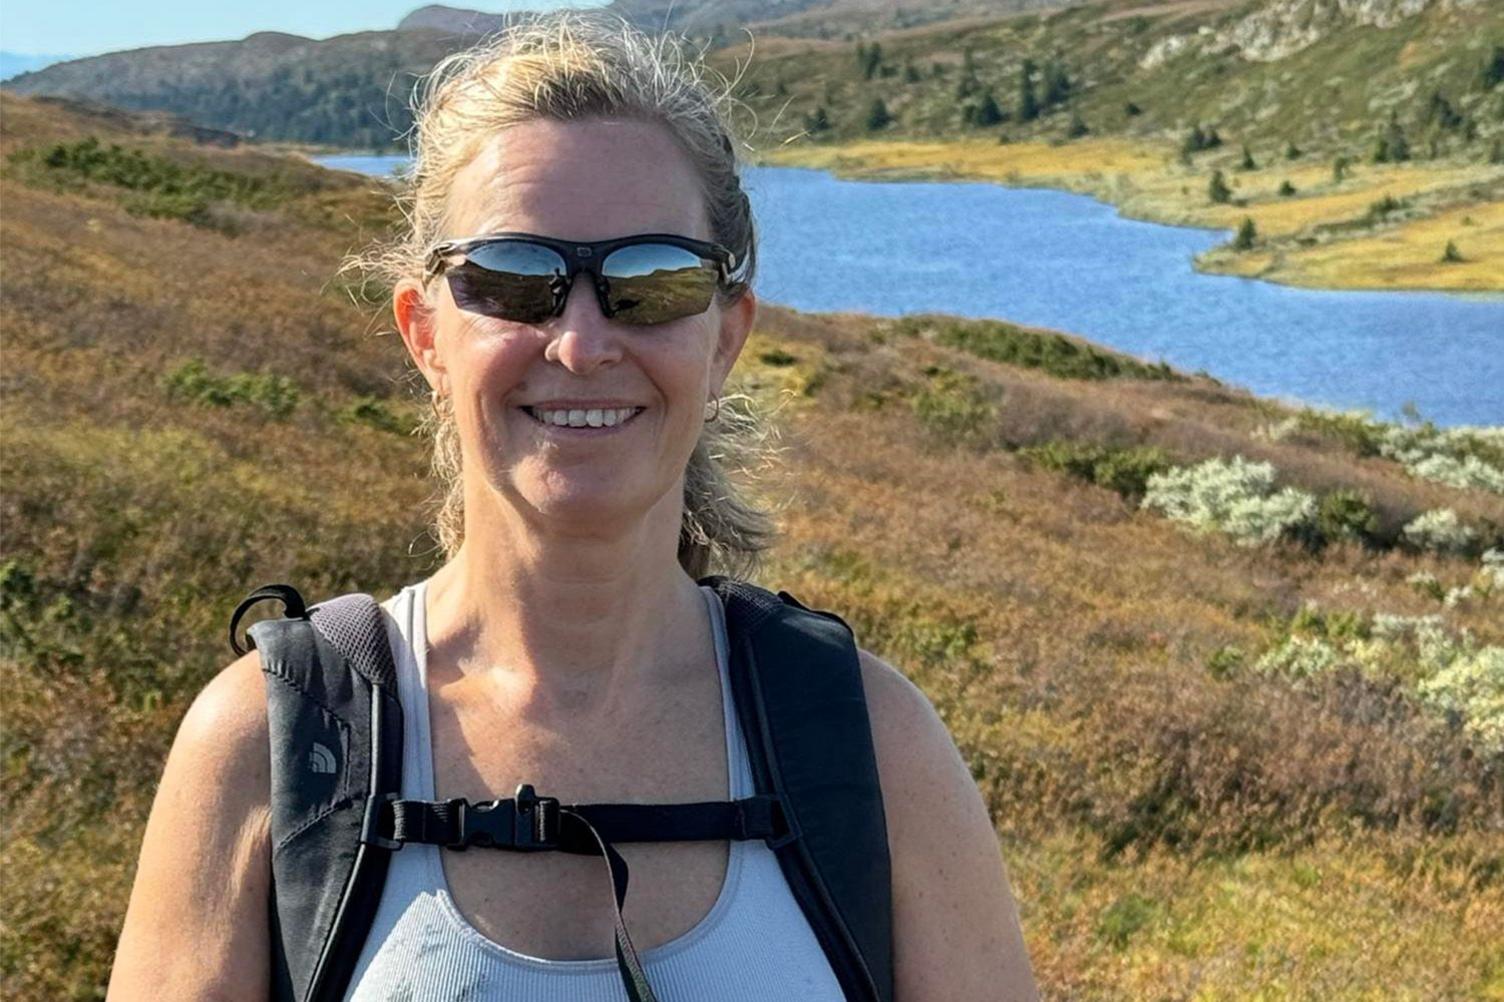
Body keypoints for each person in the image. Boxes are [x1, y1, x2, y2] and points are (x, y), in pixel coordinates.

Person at [107, 10, 1039, 1001]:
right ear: (424, 333)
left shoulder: (873, 743)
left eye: (652, 281)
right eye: (514, 281)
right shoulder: (273, 739)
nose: (583, 343)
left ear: (724, 337)